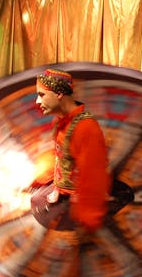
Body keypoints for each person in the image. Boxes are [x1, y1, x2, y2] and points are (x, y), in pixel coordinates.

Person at [32, 68, 110, 237]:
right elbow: (59, 156)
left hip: (81, 207)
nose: (37, 101)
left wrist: (88, 222)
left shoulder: (85, 128)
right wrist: (42, 180)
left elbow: (93, 178)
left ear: (59, 94)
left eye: (42, 95)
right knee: (36, 200)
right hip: (64, 195)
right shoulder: (62, 121)